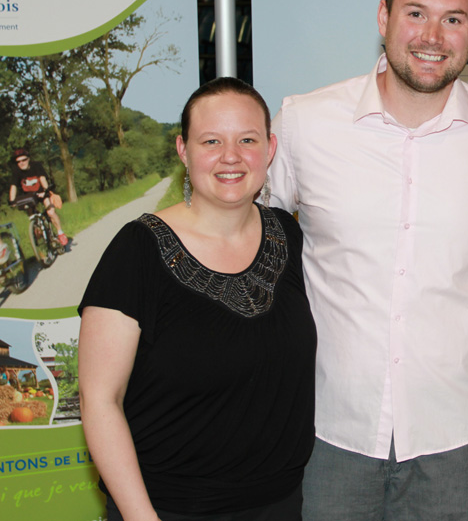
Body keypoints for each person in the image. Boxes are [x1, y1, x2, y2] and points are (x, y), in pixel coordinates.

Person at [268, 0, 468, 521]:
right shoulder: (304, 124)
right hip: (327, 433)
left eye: (453, 19)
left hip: (457, 437)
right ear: (384, 16)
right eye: (416, 13)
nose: (432, 35)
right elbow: (247, 243)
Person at [78, 77, 316, 521]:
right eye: (211, 141)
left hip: (281, 505)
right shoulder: (136, 251)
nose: (231, 156)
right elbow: (99, 399)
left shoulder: (291, 236)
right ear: (183, 151)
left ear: (270, 148)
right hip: (167, 509)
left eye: (247, 139)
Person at [8, 148, 67, 246]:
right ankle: (40, 236)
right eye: (18, 161)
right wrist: (12, 200)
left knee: (50, 212)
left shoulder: (36, 166)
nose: (21, 163)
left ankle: (60, 233)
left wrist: (45, 190)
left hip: (41, 193)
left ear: (28, 159)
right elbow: (13, 186)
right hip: (29, 197)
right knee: (33, 219)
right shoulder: (16, 171)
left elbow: (42, 179)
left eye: (24, 160)